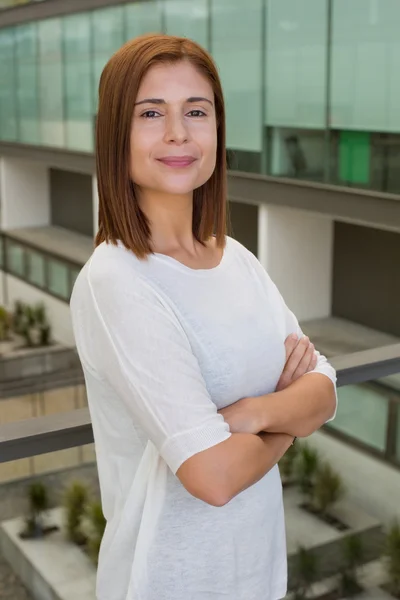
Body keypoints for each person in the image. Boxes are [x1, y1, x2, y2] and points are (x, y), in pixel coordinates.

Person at [70, 33, 337, 600]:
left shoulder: (235, 257)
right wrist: (291, 419)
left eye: (196, 111)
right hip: (167, 582)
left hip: (255, 574)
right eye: (151, 113)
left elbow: (326, 386)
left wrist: (254, 413)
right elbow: (212, 478)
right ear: (116, 133)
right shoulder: (116, 280)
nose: (178, 133)